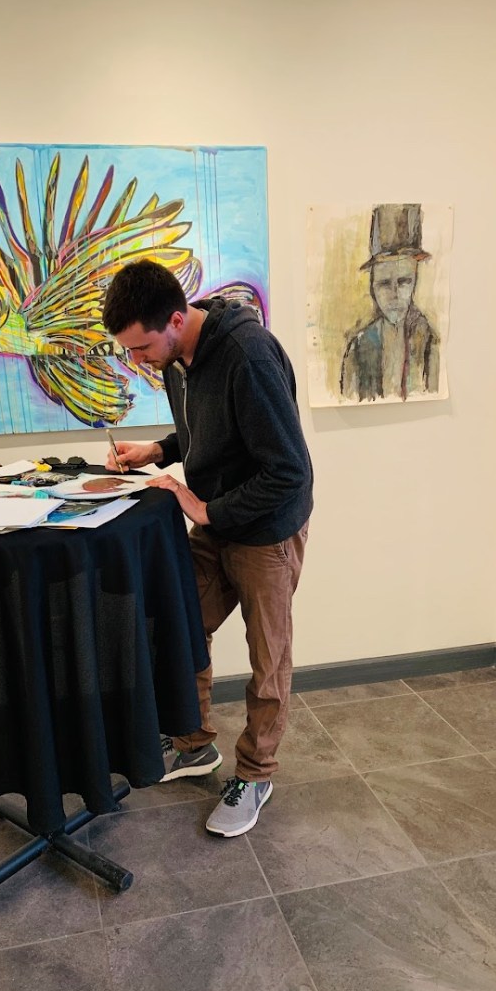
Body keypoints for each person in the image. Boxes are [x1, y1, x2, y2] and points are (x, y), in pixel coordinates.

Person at [101, 259, 313, 838]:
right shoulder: (177, 358)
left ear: (175, 318)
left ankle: (256, 774)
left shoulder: (249, 355)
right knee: (177, 625)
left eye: (142, 348)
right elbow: (212, 429)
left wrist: (204, 509)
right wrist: (160, 449)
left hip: (267, 531)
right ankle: (194, 744)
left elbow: (289, 472)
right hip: (218, 524)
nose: (138, 361)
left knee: (268, 659)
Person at [340, 203, 439, 402]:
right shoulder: (358, 348)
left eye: (404, 282)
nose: (394, 295)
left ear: (415, 282)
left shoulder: (429, 342)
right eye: (384, 284)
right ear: (372, 288)